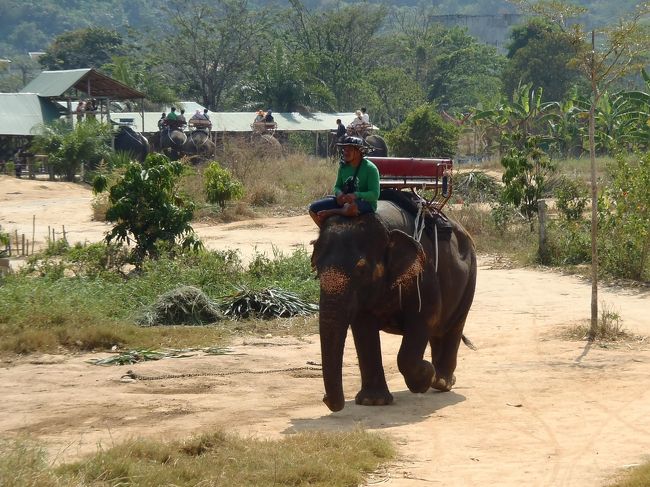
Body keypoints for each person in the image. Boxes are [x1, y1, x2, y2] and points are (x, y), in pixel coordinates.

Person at [308, 136, 380, 228]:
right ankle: (325, 234)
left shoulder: (370, 169)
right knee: (313, 209)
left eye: (349, 149)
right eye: (344, 149)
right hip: (344, 202)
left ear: (359, 151)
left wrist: (356, 195)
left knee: (351, 208)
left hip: (364, 203)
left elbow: (375, 194)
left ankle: (330, 212)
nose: (345, 152)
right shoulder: (343, 167)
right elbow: (337, 186)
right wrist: (339, 194)